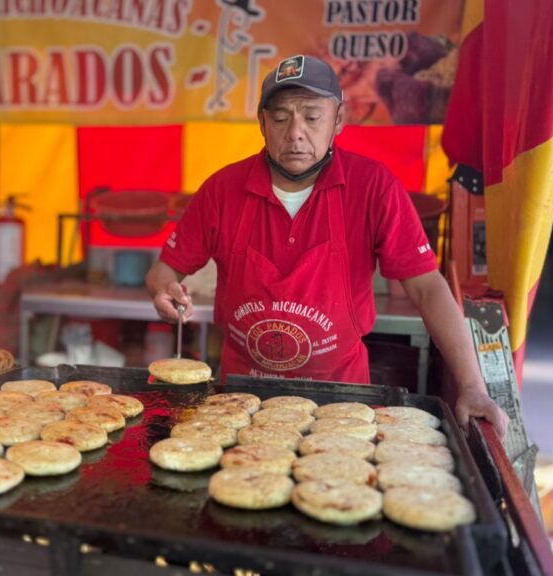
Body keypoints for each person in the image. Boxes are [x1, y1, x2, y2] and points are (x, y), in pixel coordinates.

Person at [145, 55, 508, 437]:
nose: (295, 132)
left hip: (342, 403)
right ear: (262, 123)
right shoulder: (222, 189)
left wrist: (472, 387)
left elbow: (428, 287)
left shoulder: (373, 187)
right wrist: (165, 292)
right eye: (282, 117)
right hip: (241, 401)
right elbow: (163, 271)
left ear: (338, 120)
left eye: (312, 117)